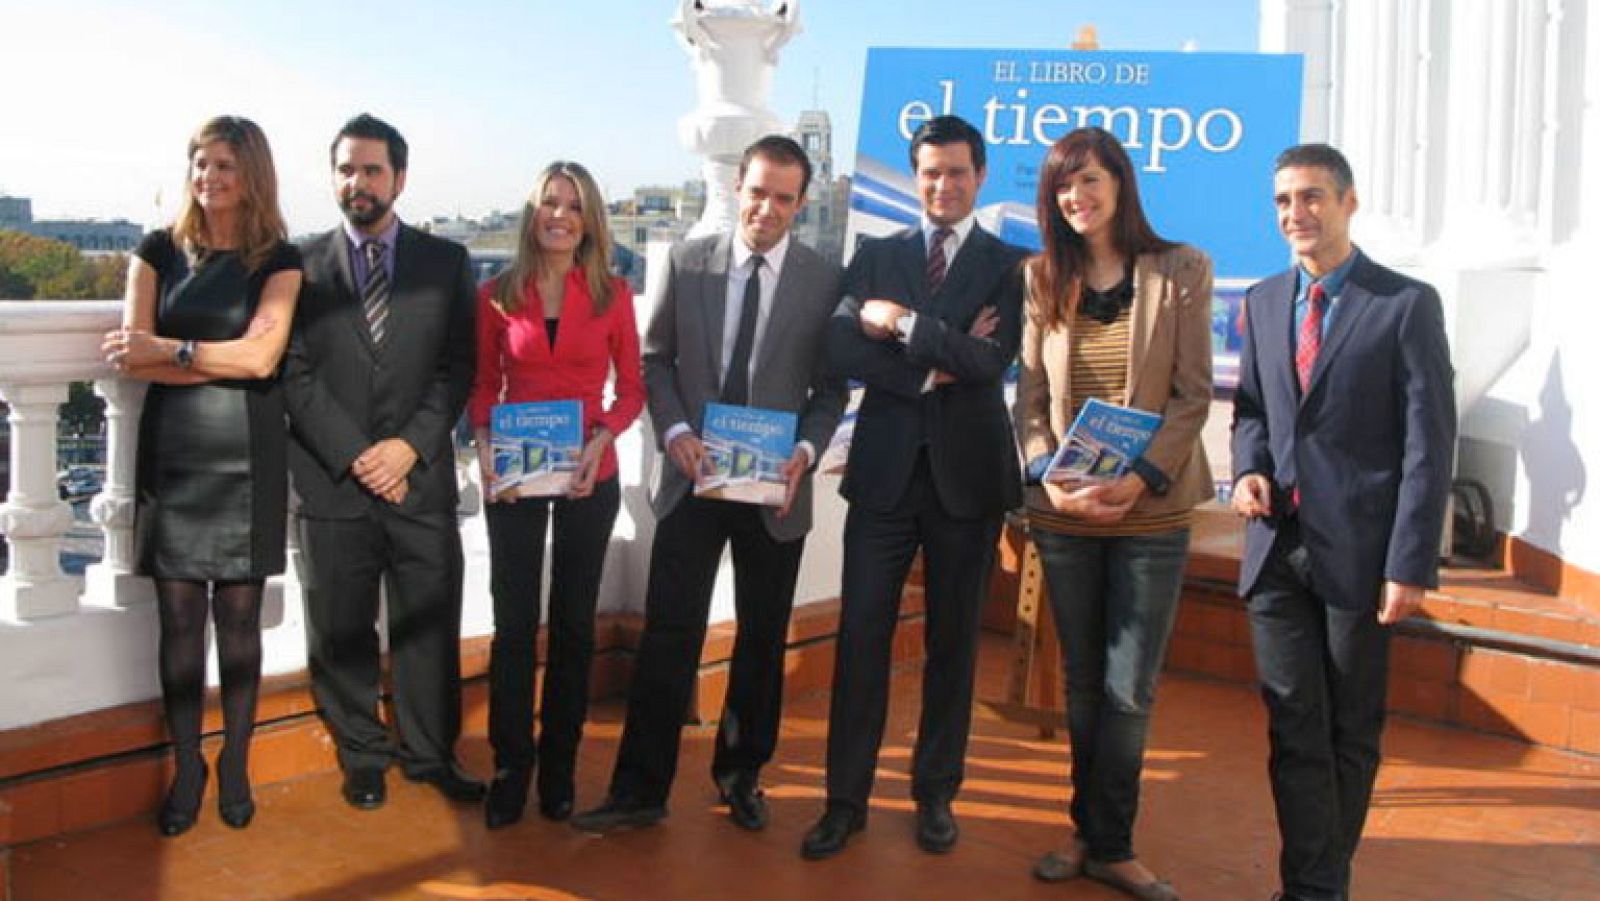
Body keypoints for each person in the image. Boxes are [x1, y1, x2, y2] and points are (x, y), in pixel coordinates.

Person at [572, 136, 846, 834]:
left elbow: (830, 389)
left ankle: (742, 774)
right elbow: (656, 360)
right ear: (737, 187)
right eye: (758, 191)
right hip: (693, 479)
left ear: (801, 202)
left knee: (760, 641)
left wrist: (806, 451)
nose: (768, 208)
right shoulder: (690, 264)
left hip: (774, 491)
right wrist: (675, 433)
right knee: (670, 633)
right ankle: (639, 788)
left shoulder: (822, 278)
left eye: (784, 197)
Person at [1231, 143, 1455, 901]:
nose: (1297, 213)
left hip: (1362, 556)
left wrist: (1410, 561)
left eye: (1313, 196)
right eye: (1284, 200)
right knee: (1293, 724)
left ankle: (1318, 884)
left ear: (1349, 202)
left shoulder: (1406, 304)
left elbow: (1431, 442)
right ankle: (1314, 888)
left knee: (1349, 732)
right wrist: (1250, 467)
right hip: (1276, 550)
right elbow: (1253, 411)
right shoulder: (1262, 301)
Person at [801, 115, 1026, 860]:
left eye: (957, 171)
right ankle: (844, 800)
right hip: (884, 477)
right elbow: (836, 346)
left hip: (968, 482)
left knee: (952, 646)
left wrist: (896, 323)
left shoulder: (1008, 264)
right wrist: (935, 358)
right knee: (862, 637)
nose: (942, 185)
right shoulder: (876, 252)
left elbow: (994, 360)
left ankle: (935, 794)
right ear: (915, 175)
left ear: (981, 175)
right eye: (930, 172)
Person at [1014, 128, 1213, 901]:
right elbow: (1030, 401)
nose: (1078, 197)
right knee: (1083, 686)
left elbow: (1193, 394)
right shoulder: (1040, 278)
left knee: (1130, 686)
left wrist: (1145, 476)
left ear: (1121, 182)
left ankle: (1115, 843)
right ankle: (1086, 831)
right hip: (1064, 514)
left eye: (1090, 180)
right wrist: (1047, 477)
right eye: (1064, 186)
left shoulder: (1181, 268)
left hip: (1149, 515)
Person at [101, 115, 302, 836]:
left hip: (250, 452)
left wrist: (174, 348)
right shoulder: (156, 250)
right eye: (199, 163)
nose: (208, 177)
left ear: (252, 174)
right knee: (179, 620)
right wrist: (201, 352)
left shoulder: (279, 258)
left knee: (240, 621)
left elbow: (261, 361)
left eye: (223, 165)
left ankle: (238, 760)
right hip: (174, 454)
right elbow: (131, 356)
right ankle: (189, 764)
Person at [283, 113, 482, 811]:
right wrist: (357, 454)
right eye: (345, 168)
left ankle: (431, 753)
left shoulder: (446, 263)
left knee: (428, 622)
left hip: (418, 479)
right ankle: (362, 752)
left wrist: (406, 447)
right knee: (339, 627)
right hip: (333, 481)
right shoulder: (297, 267)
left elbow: (458, 367)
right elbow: (295, 372)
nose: (356, 182)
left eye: (371, 169)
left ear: (399, 176)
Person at [470, 161, 645, 829]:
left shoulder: (613, 295)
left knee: (573, 629)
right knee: (514, 628)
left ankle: (561, 766)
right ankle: (512, 766)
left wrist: (601, 441)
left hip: (585, 478)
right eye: (549, 202)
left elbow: (631, 389)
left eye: (573, 205)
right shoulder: (495, 293)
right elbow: (485, 386)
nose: (560, 215)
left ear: (589, 218)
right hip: (514, 477)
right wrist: (485, 450)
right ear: (532, 212)